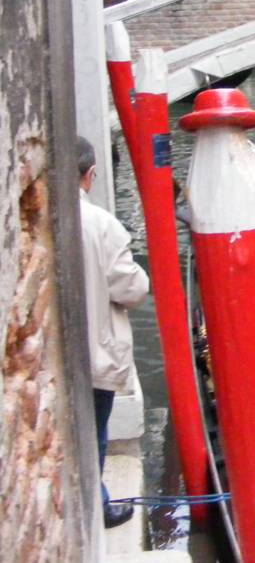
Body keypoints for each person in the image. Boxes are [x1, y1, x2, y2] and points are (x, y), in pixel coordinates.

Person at [77, 136, 150, 529]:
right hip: (93, 351)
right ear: (89, 176)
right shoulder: (102, 225)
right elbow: (133, 289)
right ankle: (98, 508)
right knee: (94, 435)